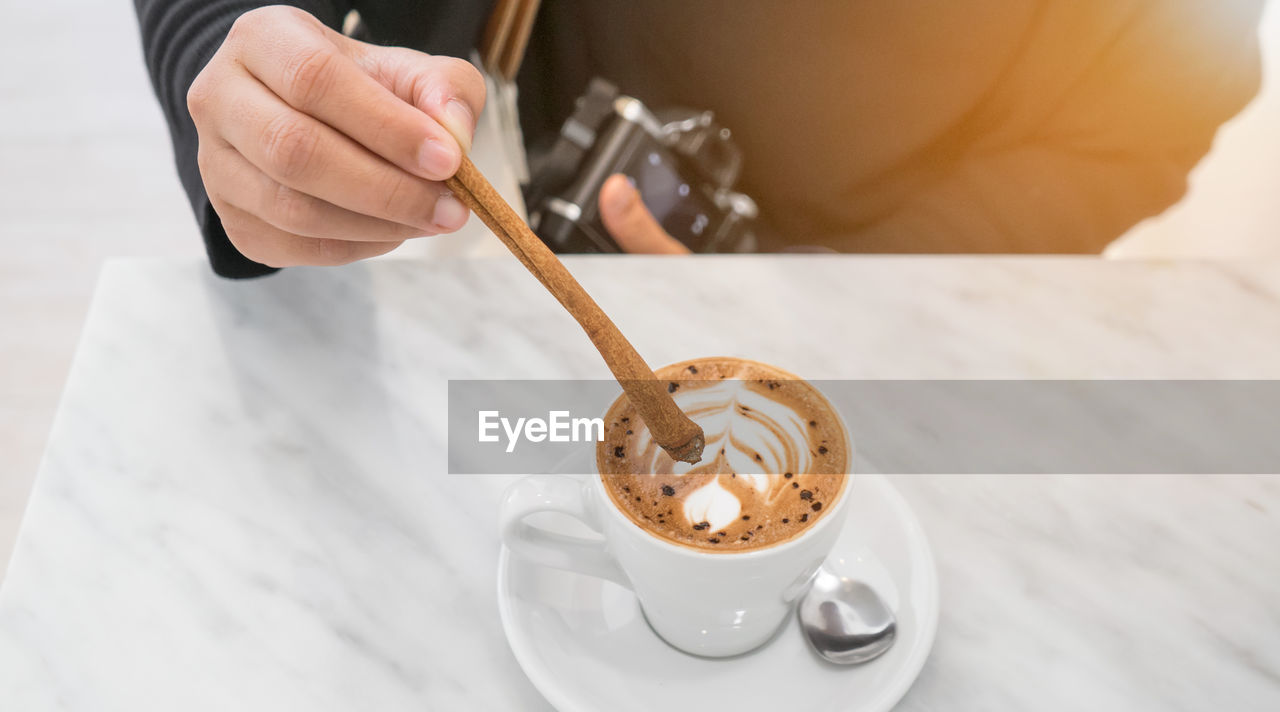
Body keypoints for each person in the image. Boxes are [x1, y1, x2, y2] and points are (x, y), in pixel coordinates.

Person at [134, 0, 1265, 279]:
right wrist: (228, 55)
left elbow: (1148, 115)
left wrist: (836, 296)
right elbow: (227, 30)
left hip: (841, 264)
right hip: (444, 175)